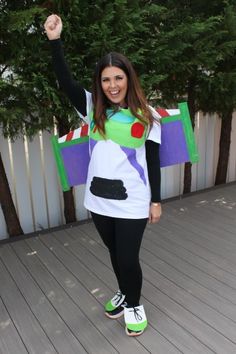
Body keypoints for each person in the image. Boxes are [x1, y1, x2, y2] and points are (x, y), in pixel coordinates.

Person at [44, 14, 162, 337]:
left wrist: (156, 201)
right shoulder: (93, 108)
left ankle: (134, 303)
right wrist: (55, 42)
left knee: (127, 255)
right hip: (98, 200)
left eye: (118, 78)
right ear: (100, 82)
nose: (112, 85)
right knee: (114, 252)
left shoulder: (147, 116)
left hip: (133, 200)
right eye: (106, 79)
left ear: (128, 79)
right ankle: (124, 293)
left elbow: (152, 160)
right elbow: (66, 83)